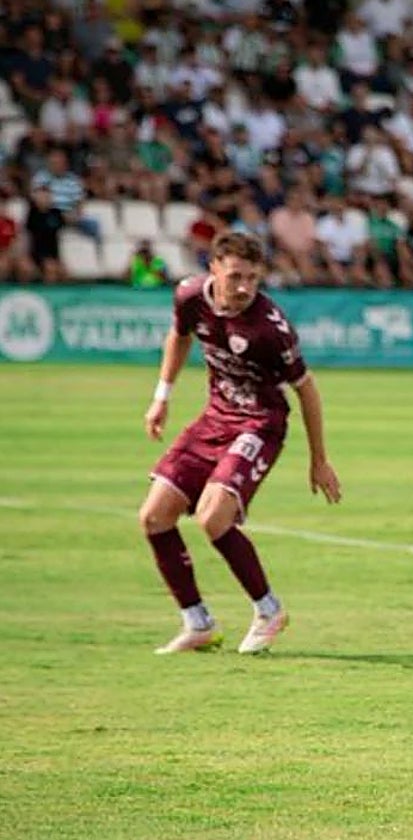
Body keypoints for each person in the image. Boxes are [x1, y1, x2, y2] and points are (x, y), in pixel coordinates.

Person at [138, 231, 342, 655]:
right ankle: (198, 623)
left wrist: (319, 460)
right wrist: (161, 398)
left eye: (252, 277)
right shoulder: (190, 296)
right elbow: (179, 336)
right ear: (213, 268)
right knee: (154, 516)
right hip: (214, 419)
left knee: (213, 517)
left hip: (260, 425)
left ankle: (269, 611)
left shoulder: (271, 329)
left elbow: (306, 389)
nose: (245, 286)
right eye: (235, 276)